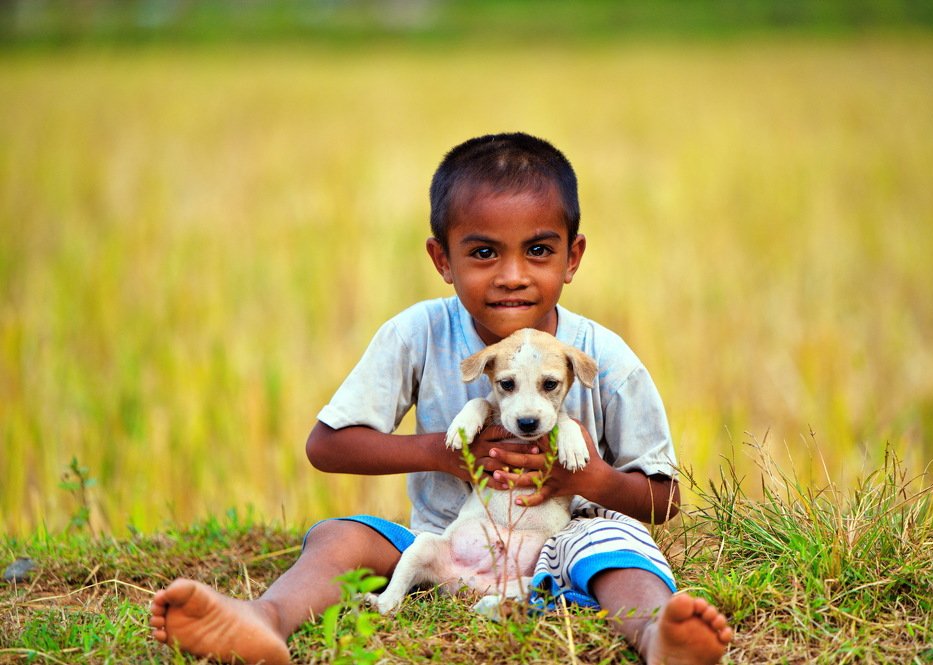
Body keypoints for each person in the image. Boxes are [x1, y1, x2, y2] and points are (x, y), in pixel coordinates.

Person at [150, 132, 733, 664]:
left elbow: (664, 499)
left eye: (538, 251)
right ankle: (265, 620)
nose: (511, 275)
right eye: (483, 254)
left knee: (615, 544)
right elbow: (327, 446)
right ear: (441, 260)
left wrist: (589, 483)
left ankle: (661, 636)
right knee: (341, 535)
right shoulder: (417, 334)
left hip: (565, 537)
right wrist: (441, 453)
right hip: (448, 538)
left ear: (572, 258)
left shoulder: (603, 358)